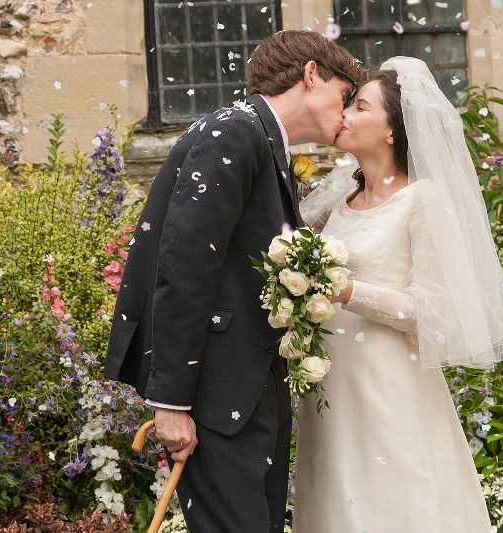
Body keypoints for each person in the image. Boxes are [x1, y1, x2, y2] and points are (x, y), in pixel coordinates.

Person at [103, 30, 364, 532]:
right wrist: (172, 404)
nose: (346, 111)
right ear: (311, 75)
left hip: (247, 391)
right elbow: (183, 267)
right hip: (216, 398)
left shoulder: (263, 141)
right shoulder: (233, 133)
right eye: (344, 94)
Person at [294, 57, 503, 531]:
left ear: (394, 129)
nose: (344, 116)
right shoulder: (338, 196)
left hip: (388, 382)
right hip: (331, 385)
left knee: (395, 503)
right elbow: (285, 244)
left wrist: (348, 289)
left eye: (359, 106)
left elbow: (431, 309)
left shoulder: (423, 198)